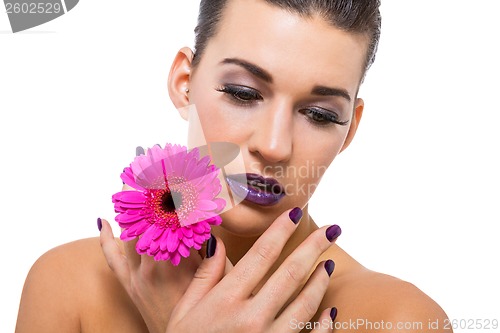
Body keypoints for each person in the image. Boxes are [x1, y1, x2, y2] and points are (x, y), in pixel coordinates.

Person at [15, 0, 452, 332]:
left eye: (320, 114)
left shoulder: (398, 319)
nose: (275, 146)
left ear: (350, 131)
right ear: (184, 84)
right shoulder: (66, 287)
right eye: (244, 93)